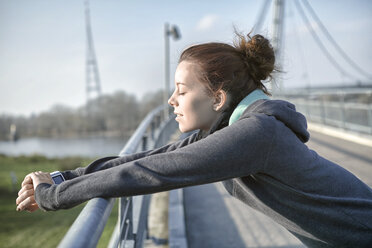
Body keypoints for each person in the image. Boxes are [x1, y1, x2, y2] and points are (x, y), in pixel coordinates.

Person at [16, 33, 372, 247]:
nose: (171, 100)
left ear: (217, 99)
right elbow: (150, 157)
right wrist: (63, 178)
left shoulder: (256, 133)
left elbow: (155, 172)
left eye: (181, 91)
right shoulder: (232, 127)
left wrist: (54, 197)